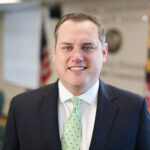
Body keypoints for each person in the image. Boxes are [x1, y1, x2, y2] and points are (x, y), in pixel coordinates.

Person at [2, 13, 150, 150]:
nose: (77, 56)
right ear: (54, 52)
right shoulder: (22, 108)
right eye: (67, 47)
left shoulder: (134, 109)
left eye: (87, 47)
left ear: (104, 53)